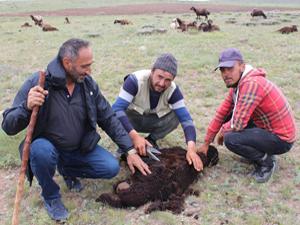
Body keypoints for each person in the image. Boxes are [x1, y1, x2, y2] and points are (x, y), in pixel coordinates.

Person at [2, 38, 150, 221]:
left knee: (111, 167)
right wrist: (26, 106)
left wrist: (129, 149)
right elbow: (8, 125)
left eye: (90, 65)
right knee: (41, 151)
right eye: (85, 66)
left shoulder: (87, 85)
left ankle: (67, 169)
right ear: (67, 63)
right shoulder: (39, 82)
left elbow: (108, 117)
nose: (89, 71)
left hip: (78, 148)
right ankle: (51, 196)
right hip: (48, 147)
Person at [199, 48, 296, 183]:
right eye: (222, 70)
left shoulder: (251, 84)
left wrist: (222, 131)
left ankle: (267, 162)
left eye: (230, 68)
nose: (226, 74)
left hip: (282, 139)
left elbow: (238, 124)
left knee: (231, 139)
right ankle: (260, 152)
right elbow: (222, 113)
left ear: (242, 66)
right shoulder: (237, 85)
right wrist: (206, 143)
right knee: (228, 116)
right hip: (268, 129)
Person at [112, 53, 203, 171]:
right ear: (152, 71)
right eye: (159, 77)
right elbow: (116, 109)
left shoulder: (173, 90)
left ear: (173, 80)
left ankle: (151, 140)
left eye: (167, 80)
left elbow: (186, 120)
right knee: (117, 115)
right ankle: (125, 144)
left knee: (177, 115)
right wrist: (135, 137)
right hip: (131, 121)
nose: (161, 83)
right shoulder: (135, 80)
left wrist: (191, 149)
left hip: (152, 120)